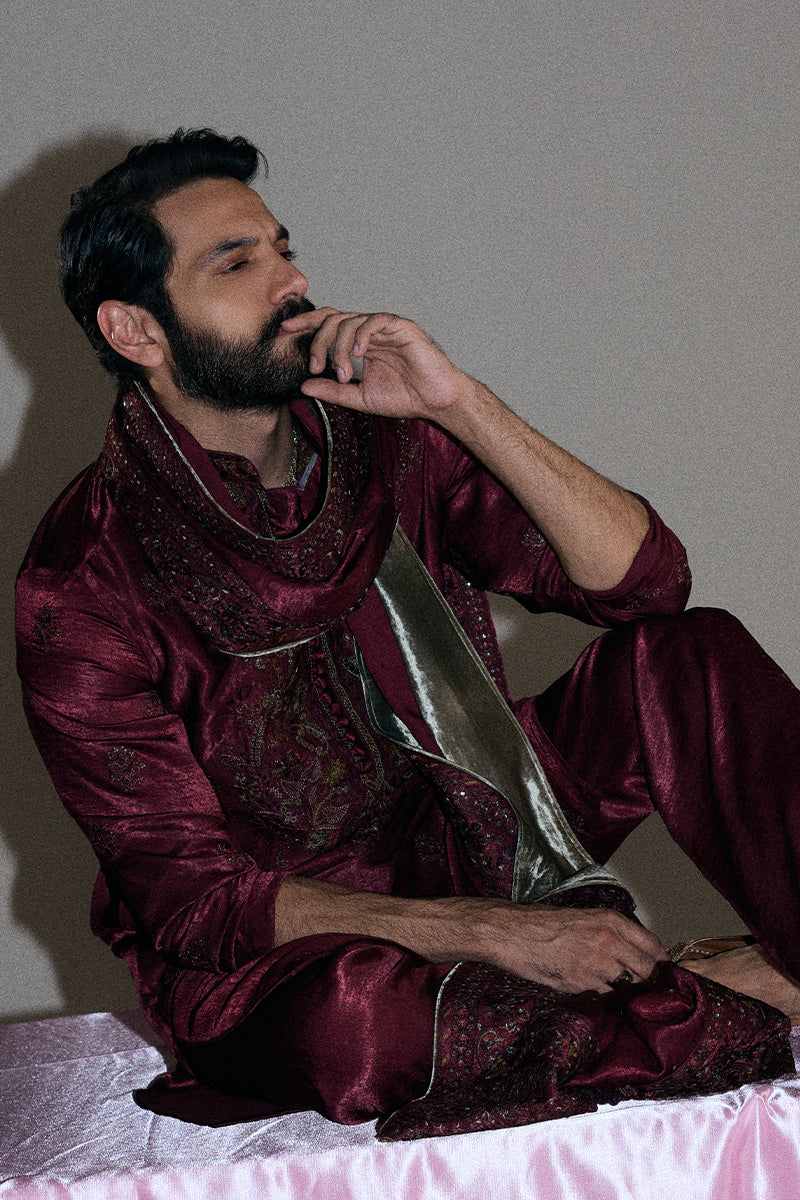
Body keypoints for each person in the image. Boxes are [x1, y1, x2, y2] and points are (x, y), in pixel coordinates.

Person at [15, 129, 800, 1139]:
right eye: (237, 264)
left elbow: (645, 583)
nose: (293, 281)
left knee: (689, 655)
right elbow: (197, 904)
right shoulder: (81, 581)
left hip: (476, 832)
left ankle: (676, 996)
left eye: (284, 248)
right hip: (285, 956)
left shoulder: (382, 442)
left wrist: (457, 403)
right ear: (135, 330)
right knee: (358, 1032)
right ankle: (735, 993)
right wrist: (492, 936)